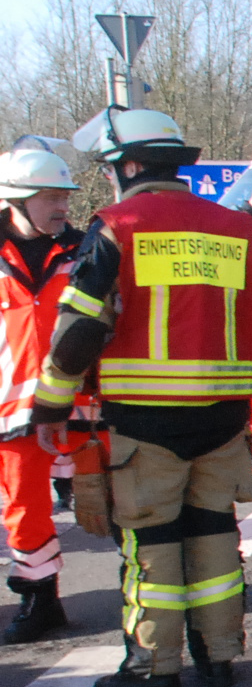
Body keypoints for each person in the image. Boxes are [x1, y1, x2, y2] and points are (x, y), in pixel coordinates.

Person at [33, 108, 252, 687]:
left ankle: (153, 672)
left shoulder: (119, 224)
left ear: (130, 166)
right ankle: (219, 662)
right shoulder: (232, 226)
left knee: (152, 545)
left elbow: (75, 335)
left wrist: (50, 408)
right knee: (216, 537)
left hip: (146, 419)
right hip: (224, 417)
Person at [0, 148, 103, 643]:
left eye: (65, 195)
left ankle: (144, 588)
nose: (62, 205)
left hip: (83, 403)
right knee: (24, 507)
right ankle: (41, 598)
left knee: (113, 498)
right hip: (14, 408)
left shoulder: (87, 250)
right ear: (14, 200)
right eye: (50, 197)